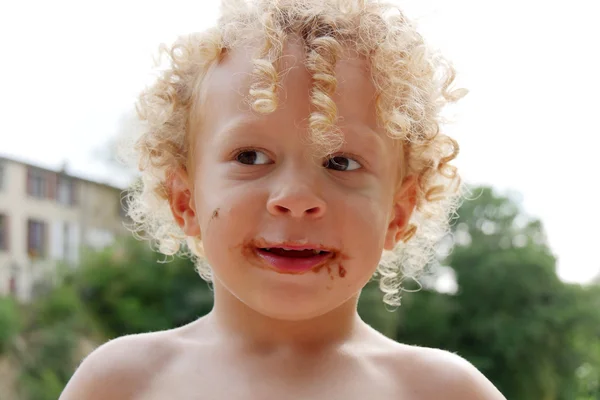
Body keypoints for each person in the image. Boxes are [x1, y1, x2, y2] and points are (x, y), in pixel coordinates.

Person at [60, 0, 506, 398]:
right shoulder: (121, 384)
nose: (295, 198)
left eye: (341, 162)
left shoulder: (442, 391)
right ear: (186, 201)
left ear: (398, 212)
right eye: (251, 157)